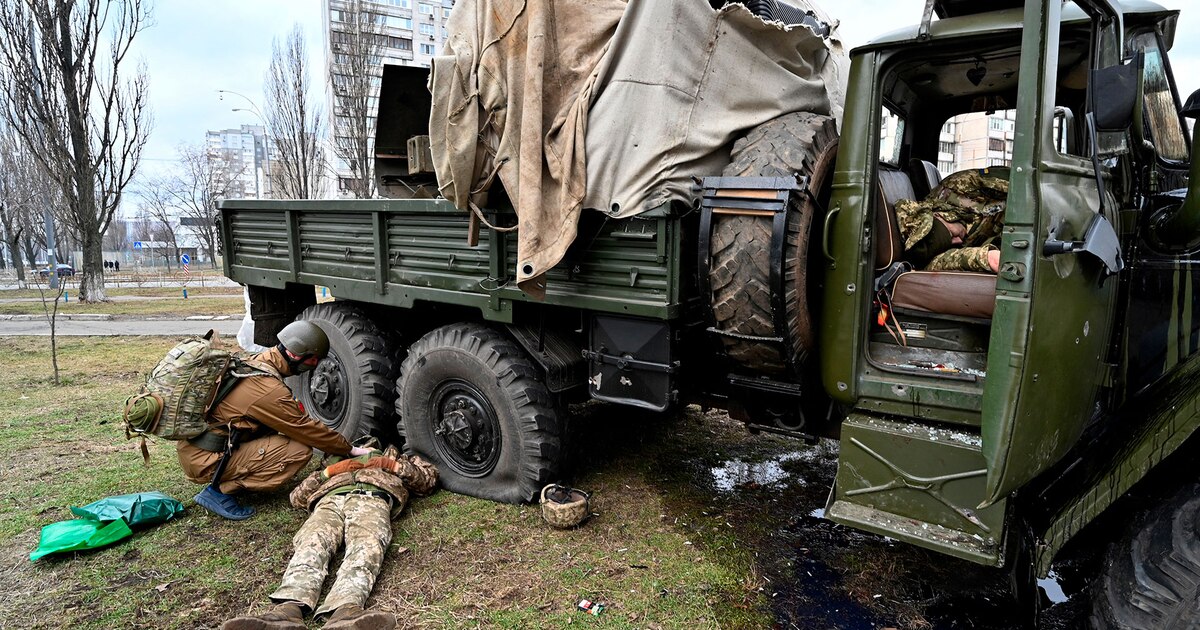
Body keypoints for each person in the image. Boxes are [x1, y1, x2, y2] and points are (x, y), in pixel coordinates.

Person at [221, 444, 438, 630]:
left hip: (372, 496)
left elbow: (427, 482)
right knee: (312, 541)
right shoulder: (330, 460)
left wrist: (392, 466)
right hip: (329, 501)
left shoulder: (395, 455)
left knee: (367, 543)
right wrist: (328, 473)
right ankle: (287, 611)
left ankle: (346, 610)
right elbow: (296, 498)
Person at [178, 320, 374, 520]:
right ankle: (220, 489)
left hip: (198, 449)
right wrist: (349, 449)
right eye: (312, 360)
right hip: (206, 460)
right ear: (294, 354)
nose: (314, 366)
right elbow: (304, 428)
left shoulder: (257, 362)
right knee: (298, 450)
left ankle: (229, 476)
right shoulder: (267, 389)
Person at [895, 169, 1008, 273]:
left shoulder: (958, 187)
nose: (958, 241)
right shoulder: (933, 255)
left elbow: (1018, 180)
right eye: (951, 244)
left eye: (951, 234)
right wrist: (987, 257)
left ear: (938, 216)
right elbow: (961, 258)